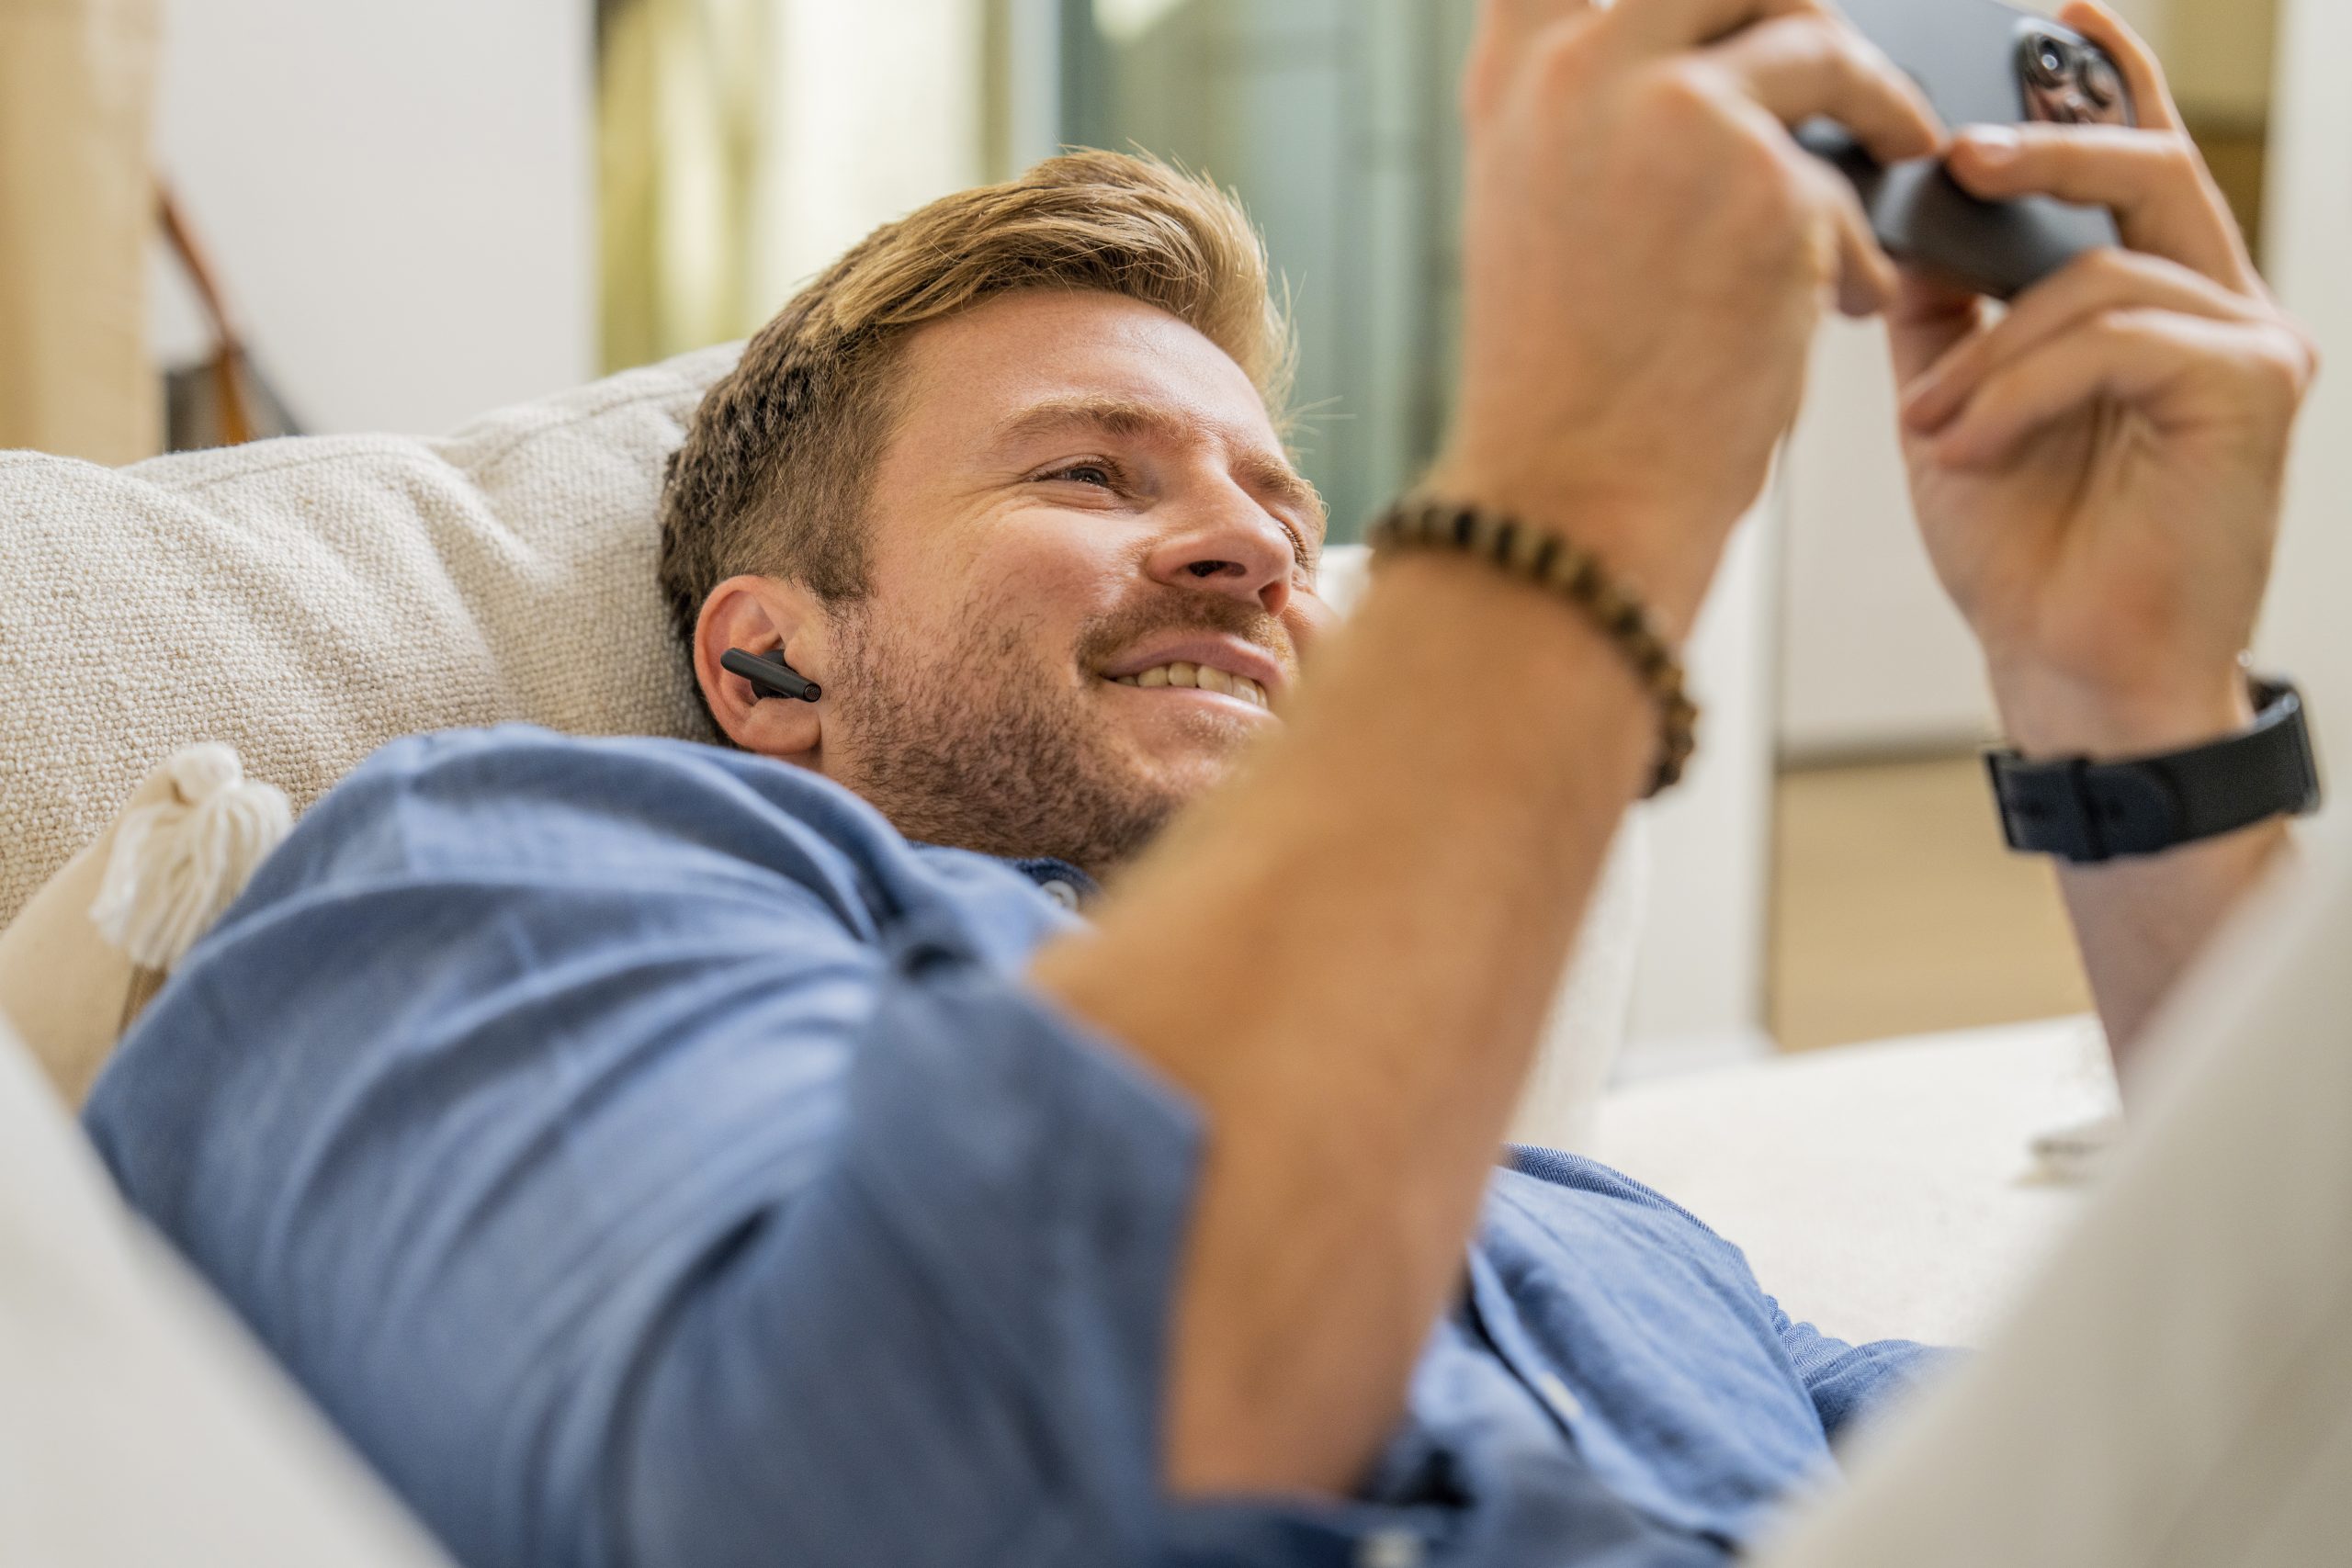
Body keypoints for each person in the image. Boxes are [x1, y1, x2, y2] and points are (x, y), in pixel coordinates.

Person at [85, 2, 2324, 1565]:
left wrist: (2128, 697)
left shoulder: (1587, 1230)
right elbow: (883, 1501)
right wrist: (1579, 488)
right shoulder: (481, 867)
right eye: (1088, 470)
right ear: (768, 657)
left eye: (1279, 500)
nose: (1254, 548)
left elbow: (2232, 1436)